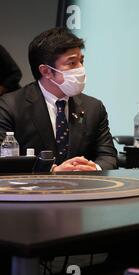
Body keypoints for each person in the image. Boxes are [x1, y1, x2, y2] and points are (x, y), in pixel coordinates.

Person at [0, 27, 117, 171]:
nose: (81, 68)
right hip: (32, 191)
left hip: (83, 189)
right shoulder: (10, 106)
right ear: (46, 71)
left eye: (81, 61)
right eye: (72, 63)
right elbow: (5, 163)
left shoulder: (93, 107)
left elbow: (108, 156)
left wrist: (94, 168)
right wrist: (51, 171)